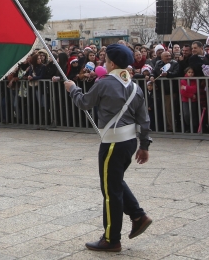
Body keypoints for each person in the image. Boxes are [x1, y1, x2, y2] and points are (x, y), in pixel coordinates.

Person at [64, 44, 152, 252]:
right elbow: (144, 119)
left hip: (112, 143)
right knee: (115, 181)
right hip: (129, 142)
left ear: (111, 63)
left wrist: (72, 89)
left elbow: (85, 102)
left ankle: (111, 239)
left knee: (110, 190)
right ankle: (138, 216)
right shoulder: (134, 86)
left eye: (105, 59)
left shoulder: (105, 83)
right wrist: (144, 145)